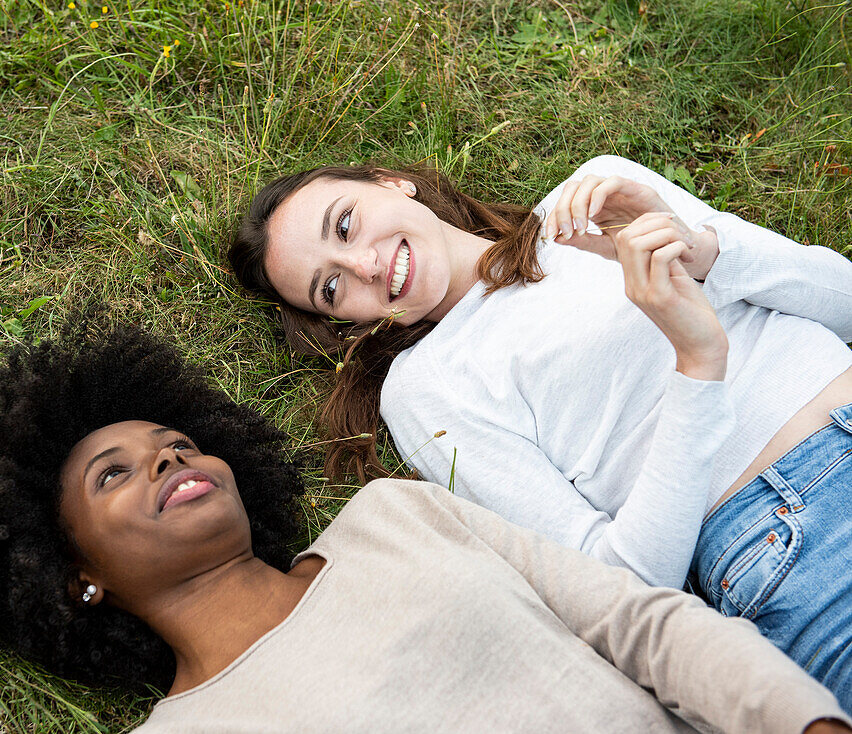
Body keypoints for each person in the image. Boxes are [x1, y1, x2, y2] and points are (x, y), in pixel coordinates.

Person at [0, 321, 852, 731]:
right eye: (114, 474)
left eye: (173, 441)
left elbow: (641, 625)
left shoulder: (393, 517)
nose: (166, 459)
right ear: (74, 575)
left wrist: (804, 724)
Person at [229, 155, 852, 703]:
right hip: (791, 526)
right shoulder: (428, 386)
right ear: (346, 324)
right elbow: (623, 587)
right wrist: (698, 368)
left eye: (345, 224)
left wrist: (702, 253)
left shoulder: (595, 197)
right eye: (331, 287)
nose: (365, 264)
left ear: (393, 184)